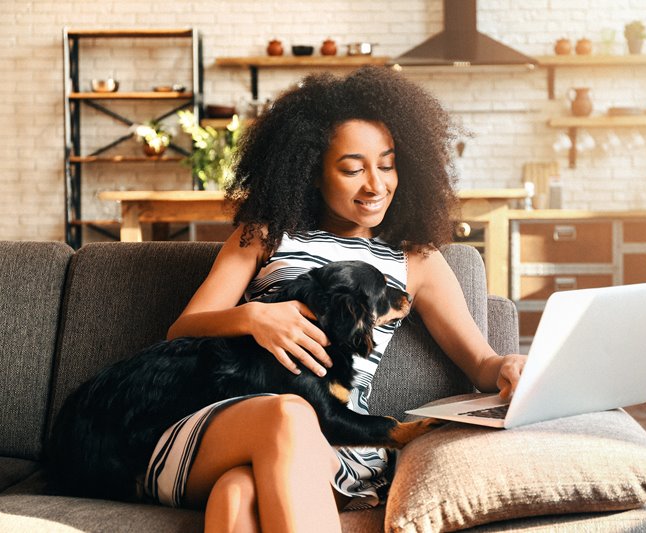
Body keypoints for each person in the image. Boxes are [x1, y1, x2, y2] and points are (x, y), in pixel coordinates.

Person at [145, 66, 528, 533]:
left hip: (333, 437)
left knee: (237, 495)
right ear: (312, 172)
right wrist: (254, 317)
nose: (375, 185)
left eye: (387, 165)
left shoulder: (417, 261)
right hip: (229, 421)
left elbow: (481, 363)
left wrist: (509, 365)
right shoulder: (263, 236)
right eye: (352, 169)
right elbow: (183, 328)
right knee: (286, 414)